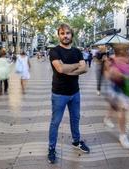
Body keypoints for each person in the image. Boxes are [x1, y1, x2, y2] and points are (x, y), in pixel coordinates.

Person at [47, 23, 89, 164]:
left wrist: (68, 69)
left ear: (72, 35)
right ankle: (51, 148)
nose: (65, 36)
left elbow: (85, 68)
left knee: (75, 118)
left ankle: (76, 141)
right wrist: (77, 66)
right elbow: (60, 69)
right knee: (55, 122)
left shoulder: (77, 51)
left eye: (68, 33)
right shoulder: (54, 51)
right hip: (59, 94)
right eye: (62, 33)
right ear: (59, 35)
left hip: (75, 93)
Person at [102, 43, 129, 149]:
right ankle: (123, 136)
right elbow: (107, 74)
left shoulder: (128, 58)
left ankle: (107, 118)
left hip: (126, 88)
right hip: (115, 88)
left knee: (114, 105)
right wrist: (113, 73)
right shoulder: (111, 60)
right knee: (122, 110)